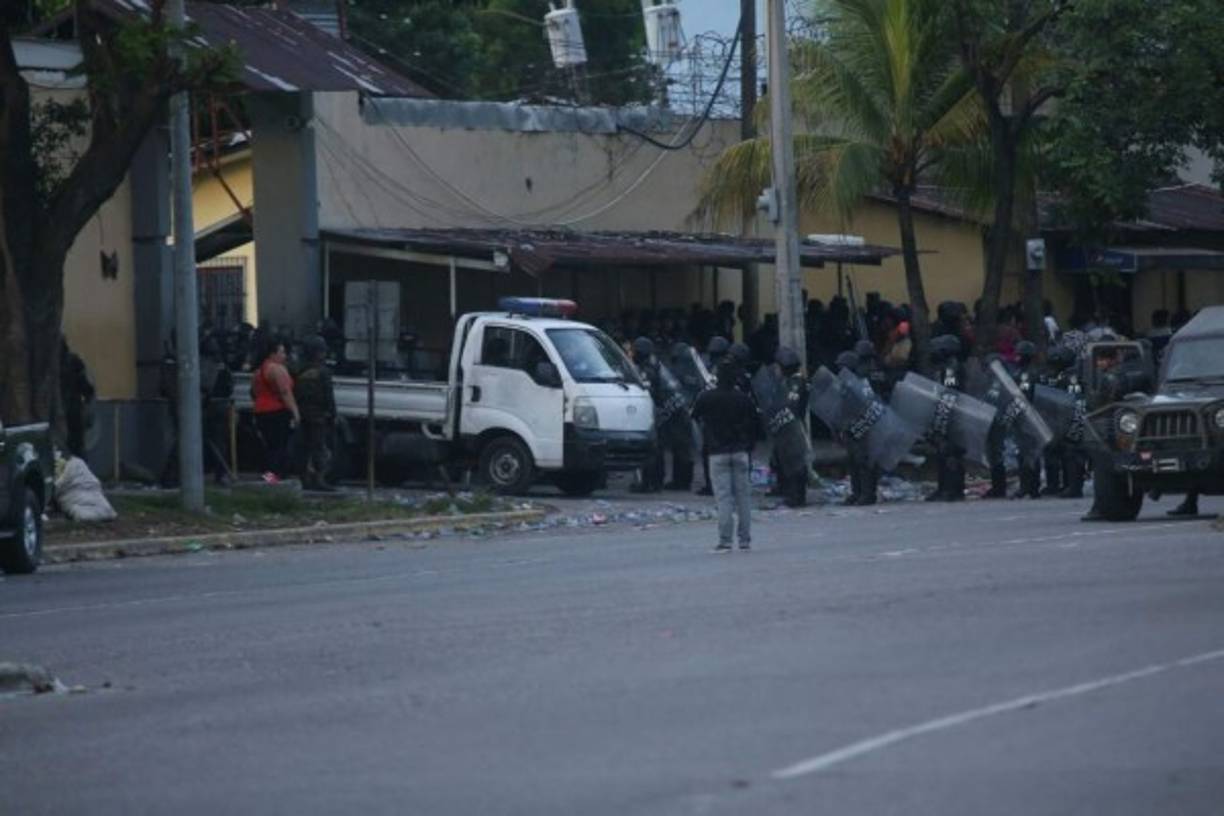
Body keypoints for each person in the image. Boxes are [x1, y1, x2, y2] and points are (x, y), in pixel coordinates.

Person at [691, 357, 758, 552]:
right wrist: (748, 445)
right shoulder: (743, 398)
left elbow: (693, 416)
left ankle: (725, 541)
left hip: (717, 453)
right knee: (743, 498)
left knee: (724, 499)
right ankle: (744, 540)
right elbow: (756, 424)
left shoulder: (707, 397)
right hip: (740, 452)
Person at [252, 335, 299, 484]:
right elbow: (285, 393)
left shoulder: (259, 371)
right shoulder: (277, 369)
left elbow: (254, 392)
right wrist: (295, 412)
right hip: (276, 412)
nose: (284, 356)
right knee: (279, 446)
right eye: (282, 352)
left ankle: (268, 478)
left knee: (269, 446)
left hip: (261, 412)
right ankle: (275, 479)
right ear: (273, 353)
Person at [294, 335, 338, 491]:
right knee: (320, 449)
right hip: (319, 417)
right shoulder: (323, 372)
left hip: (302, 415)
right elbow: (328, 396)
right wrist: (333, 414)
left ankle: (304, 479)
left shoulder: (299, 370)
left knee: (304, 449)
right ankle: (319, 480)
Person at [927, 334, 966, 502]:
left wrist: (942, 419)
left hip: (952, 417)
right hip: (949, 415)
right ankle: (944, 488)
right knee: (944, 453)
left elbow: (950, 395)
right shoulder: (946, 367)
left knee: (950, 453)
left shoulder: (951, 368)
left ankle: (952, 489)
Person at [630, 337, 664, 493]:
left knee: (650, 448)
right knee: (656, 448)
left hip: (648, 412)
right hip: (654, 410)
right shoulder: (654, 367)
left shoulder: (646, 371)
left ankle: (648, 483)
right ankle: (655, 482)